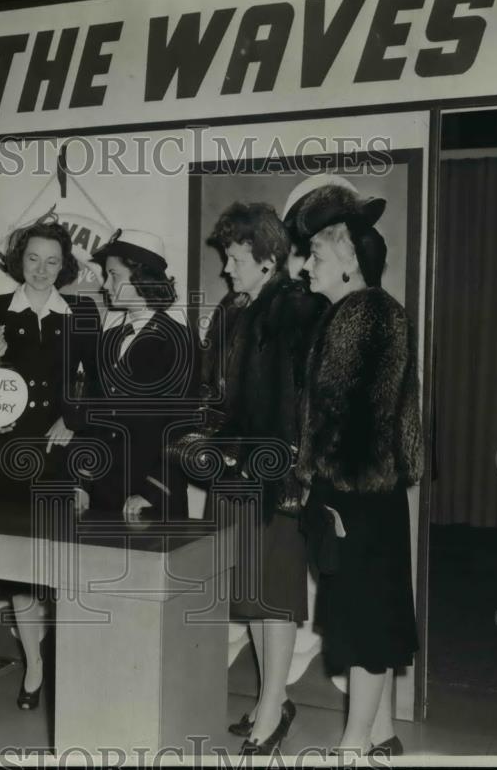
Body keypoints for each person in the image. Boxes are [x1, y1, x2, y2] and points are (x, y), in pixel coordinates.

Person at [196, 202, 327, 755]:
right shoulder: (229, 311)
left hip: (277, 478)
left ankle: (273, 708)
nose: (226, 267)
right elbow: (212, 395)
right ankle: (269, 697)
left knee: (275, 595)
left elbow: (313, 402)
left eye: (235, 257)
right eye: (227, 257)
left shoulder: (300, 309)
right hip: (231, 472)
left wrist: (297, 468)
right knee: (249, 591)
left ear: (268, 258)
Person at [293, 211, 423, 757]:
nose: (305, 267)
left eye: (317, 258)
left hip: (356, 490)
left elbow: (347, 416)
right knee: (376, 610)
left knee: (365, 618)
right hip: (371, 490)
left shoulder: (362, 313)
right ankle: (384, 735)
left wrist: (322, 483)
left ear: (349, 265)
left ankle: (351, 748)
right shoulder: (362, 311)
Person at [0, 217, 98, 711]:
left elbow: (100, 385)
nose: (42, 270)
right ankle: (35, 669)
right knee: (17, 568)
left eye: (52, 262)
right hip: (7, 453)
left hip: (60, 455)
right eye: (33, 259)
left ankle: (73, 665)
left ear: (65, 266)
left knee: (60, 563)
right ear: (19, 260)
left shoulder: (82, 314)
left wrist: (75, 420)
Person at [80, 229, 198, 521]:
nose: (106, 284)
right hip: (102, 493)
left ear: (142, 278)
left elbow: (184, 425)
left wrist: (152, 490)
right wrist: (81, 481)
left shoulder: (180, 340)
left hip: (150, 500)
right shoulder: (108, 339)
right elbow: (93, 417)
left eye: (114, 275)